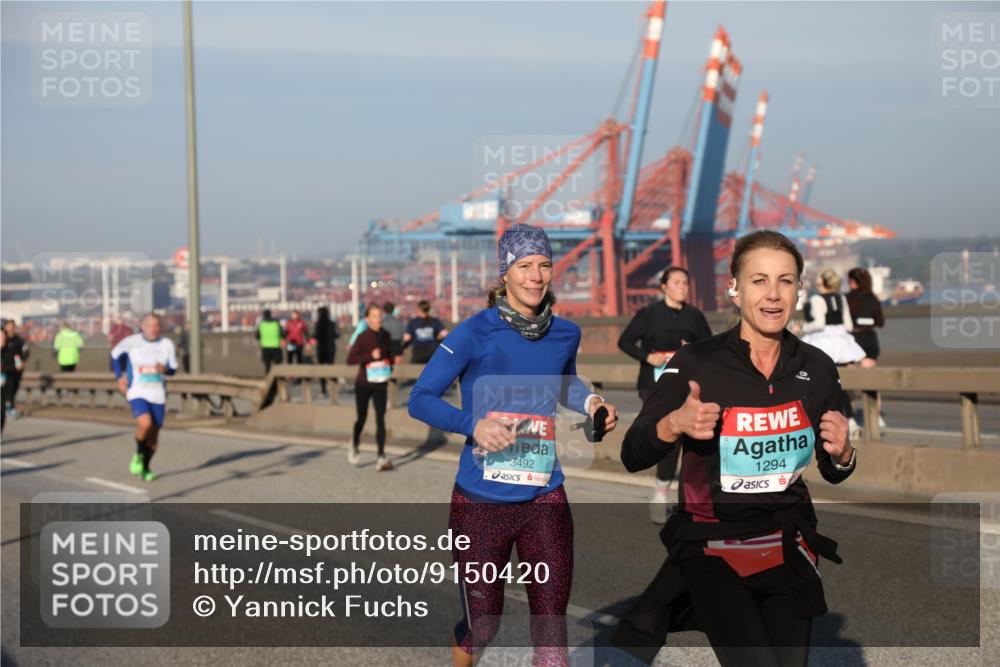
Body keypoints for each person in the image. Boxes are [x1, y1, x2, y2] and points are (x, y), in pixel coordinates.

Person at [612, 230, 856, 667]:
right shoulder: (696, 362)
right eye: (759, 280)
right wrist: (673, 423)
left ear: (799, 289)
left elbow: (832, 465)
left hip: (787, 539)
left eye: (786, 280)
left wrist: (843, 456)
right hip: (713, 545)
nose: (773, 294)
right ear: (735, 289)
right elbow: (633, 452)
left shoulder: (817, 368)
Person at [408, 224, 619, 667]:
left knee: (551, 635)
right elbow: (420, 399)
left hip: (545, 498)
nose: (536, 276)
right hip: (480, 504)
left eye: (544, 265)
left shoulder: (565, 334)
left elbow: (563, 382)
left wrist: (592, 400)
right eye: (525, 266)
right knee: (484, 625)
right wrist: (474, 426)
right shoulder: (473, 333)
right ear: (505, 273)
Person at [618, 266, 713, 524]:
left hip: (687, 385)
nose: (683, 286)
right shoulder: (649, 314)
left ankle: (687, 500)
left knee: (691, 442)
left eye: (685, 282)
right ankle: (660, 495)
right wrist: (648, 356)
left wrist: (693, 350)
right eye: (677, 282)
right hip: (655, 385)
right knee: (669, 438)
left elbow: (710, 347)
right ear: (664, 286)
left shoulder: (695, 316)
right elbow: (624, 341)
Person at [111, 314, 178, 482]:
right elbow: (115, 355)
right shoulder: (132, 341)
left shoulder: (166, 344)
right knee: (145, 423)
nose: (153, 329)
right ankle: (138, 455)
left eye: (156, 325)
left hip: (158, 393)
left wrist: (164, 369)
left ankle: (146, 467)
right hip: (137, 391)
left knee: (154, 437)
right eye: (149, 325)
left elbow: (173, 369)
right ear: (142, 326)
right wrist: (120, 377)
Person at [346, 304, 394, 471]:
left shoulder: (386, 335)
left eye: (380, 315)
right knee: (362, 418)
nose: (378, 319)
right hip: (363, 384)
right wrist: (369, 356)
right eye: (374, 316)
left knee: (381, 419)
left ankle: (381, 456)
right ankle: (355, 442)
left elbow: (389, 356)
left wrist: (390, 363)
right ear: (367, 319)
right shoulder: (362, 337)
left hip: (381, 383)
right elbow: (350, 359)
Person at [801, 269, 866, 366]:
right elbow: (849, 326)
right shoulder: (842, 298)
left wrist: (804, 327)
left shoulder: (817, 299)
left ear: (821, 282)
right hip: (842, 342)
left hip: (821, 341)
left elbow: (819, 324)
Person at [846, 267, 885, 369]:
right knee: (868, 378)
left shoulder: (847, 299)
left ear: (855, 281)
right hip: (870, 339)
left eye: (850, 280)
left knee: (850, 380)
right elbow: (880, 322)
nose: (849, 283)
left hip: (852, 340)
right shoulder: (873, 299)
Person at [403, 300, 448, 364]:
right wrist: (438, 338)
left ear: (419, 309)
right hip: (432, 351)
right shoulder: (434, 321)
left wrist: (405, 346)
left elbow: (406, 338)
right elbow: (445, 334)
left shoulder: (413, 322)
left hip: (418, 352)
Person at [2, 320, 29, 418]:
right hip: (4, 369)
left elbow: (25, 351)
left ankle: (9, 408)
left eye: (12, 326)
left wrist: (23, 362)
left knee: (13, 389)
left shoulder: (19, 340)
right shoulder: (3, 339)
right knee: (6, 389)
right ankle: (8, 408)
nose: (10, 328)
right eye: (8, 326)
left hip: (16, 369)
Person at [312, 306, 340, 397]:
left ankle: (323, 390)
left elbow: (315, 335)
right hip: (331, 349)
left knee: (321, 370)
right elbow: (336, 335)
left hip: (321, 349)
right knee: (331, 368)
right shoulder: (331, 323)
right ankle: (333, 388)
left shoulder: (318, 324)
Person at [256, 309, 284, 374]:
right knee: (277, 364)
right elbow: (282, 333)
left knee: (267, 364)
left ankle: (268, 379)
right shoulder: (276, 323)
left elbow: (257, 336)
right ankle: (277, 378)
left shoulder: (261, 324)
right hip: (276, 346)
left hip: (265, 346)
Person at [1, 329, 13, 431]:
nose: (2, 339)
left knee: (1, 413)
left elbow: (15, 366)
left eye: (3, 336)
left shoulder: (9, 351)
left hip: (4, 387)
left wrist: (3, 368)